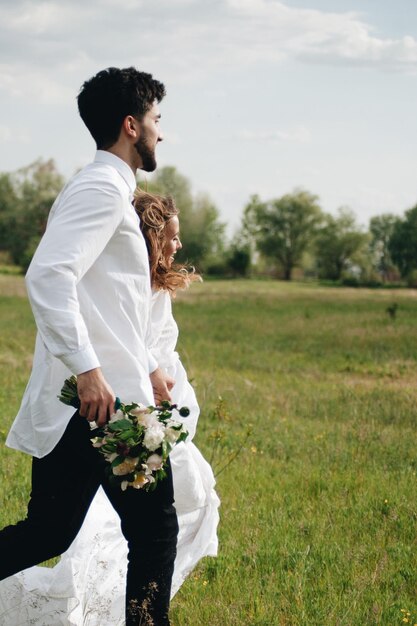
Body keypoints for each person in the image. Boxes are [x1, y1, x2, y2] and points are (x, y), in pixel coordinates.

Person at [0, 67, 179, 626]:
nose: (160, 133)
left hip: (88, 403)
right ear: (131, 126)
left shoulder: (104, 191)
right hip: (107, 406)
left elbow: (106, 301)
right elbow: (49, 276)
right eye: (155, 121)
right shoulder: (101, 190)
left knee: (47, 531)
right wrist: (89, 371)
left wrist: (148, 364)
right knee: (155, 531)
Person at [0, 192, 220, 625]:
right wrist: (152, 369)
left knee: (50, 530)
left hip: (90, 416)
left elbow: (149, 341)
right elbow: (117, 337)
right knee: (156, 534)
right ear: (149, 239)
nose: (178, 246)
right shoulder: (111, 279)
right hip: (115, 414)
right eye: (171, 238)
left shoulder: (150, 286)